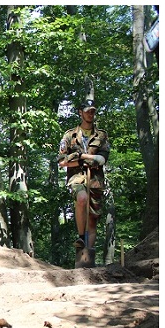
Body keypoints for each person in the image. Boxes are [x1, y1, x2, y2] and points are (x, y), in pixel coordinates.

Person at [58, 99, 111, 251]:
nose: (91, 114)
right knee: (82, 198)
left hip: (95, 180)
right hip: (77, 177)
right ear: (80, 113)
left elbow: (102, 159)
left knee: (93, 219)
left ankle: (87, 255)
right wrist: (84, 162)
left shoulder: (101, 135)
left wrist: (80, 156)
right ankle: (81, 237)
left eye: (93, 111)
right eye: (87, 111)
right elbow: (62, 161)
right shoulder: (69, 136)